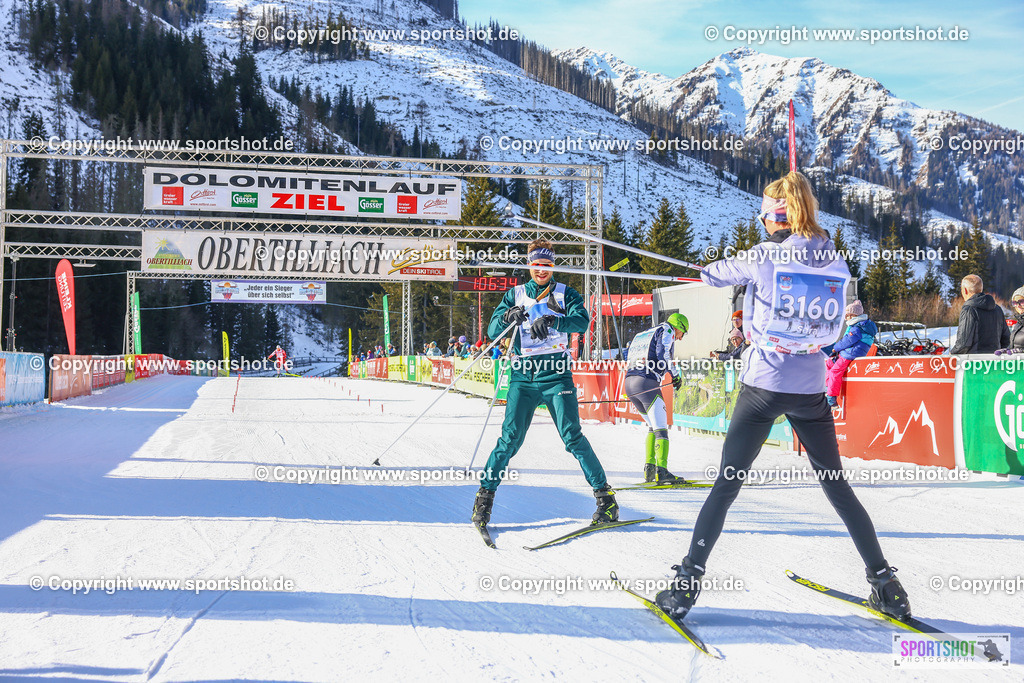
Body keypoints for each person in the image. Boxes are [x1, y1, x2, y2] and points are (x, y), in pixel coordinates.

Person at [655, 171, 911, 622]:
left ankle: (685, 585)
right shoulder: (834, 260)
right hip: (810, 389)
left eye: (763, 216)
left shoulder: (763, 256)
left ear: (777, 217)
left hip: (762, 389)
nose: (760, 224)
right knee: (837, 487)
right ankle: (886, 584)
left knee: (726, 486)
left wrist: (717, 270)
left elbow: (712, 275)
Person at [471, 238, 618, 530]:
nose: (542, 270)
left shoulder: (566, 293)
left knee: (572, 437)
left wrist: (554, 321)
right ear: (530, 264)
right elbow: (492, 330)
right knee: (509, 440)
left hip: (555, 374)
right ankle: (483, 500)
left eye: (547, 265)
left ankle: (606, 500)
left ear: (553, 266)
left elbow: (582, 322)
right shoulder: (514, 294)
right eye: (537, 264)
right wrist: (507, 317)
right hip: (523, 376)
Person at [624, 313, 689, 483]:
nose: (680, 338)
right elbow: (663, 353)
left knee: (653, 427)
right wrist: (675, 375)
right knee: (661, 428)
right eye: (683, 333)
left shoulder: (645, 333)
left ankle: (649, 469)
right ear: (679, 327)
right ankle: (662, 471)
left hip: (630, 383)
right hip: (646, 383)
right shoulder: (666, 330)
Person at [825, 300, 877, 407]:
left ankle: (831, 399)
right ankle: (827, 388)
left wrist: (835, 348)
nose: (845, 319)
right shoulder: (863, 325)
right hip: (851, 351)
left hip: (851, 353)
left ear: (853, 315)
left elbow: (847, 341)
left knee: (835, 371)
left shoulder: (857, 327)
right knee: (829, 363)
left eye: (847, 316)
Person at [949, 274, 1009, 354]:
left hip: (973, 363)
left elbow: (964, 343)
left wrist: (952, 354)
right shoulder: (997, 309)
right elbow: (1006, 338)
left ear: (965, 290)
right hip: (994, 362)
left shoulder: (969, 310)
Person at [1005, 287, 1024, 352]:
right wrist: (1007, 351)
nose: (1018, 305)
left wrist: (1020, 351)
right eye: (1015, 303)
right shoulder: (1019, 323)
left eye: (1021, 301)